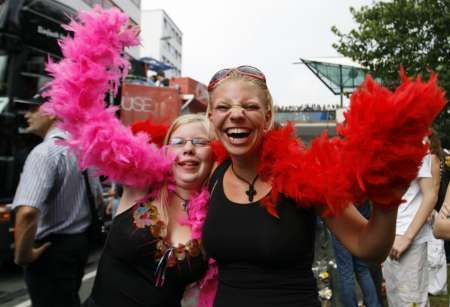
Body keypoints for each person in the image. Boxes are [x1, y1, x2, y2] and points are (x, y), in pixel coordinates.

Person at [201, 65, 445, 307]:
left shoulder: (305, 173)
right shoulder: (212, 173)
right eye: (223, 107)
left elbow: (368, 246)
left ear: (267, 117)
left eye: (249, 106)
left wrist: (387, 202)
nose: (235, 114)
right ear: (211, 116)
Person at [83, 114, 214, 307]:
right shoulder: (141, 185)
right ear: (166, 150)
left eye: (200, 142)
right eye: (178, 142)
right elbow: (93, 129)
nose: (188, 149)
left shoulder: (217, 212)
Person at [12, 92, 102, 307]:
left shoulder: (45, 153)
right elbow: (98, 200)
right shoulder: (83, 152)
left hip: (50, 251)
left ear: (53, 113)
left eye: (33, 109)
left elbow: (27, 213)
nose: (27, 115)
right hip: (78, 245)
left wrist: (22, 255)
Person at [382, 152, 438, 306]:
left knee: (411, 301)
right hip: (388, 236)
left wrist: (407, 237)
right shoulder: (383, 143)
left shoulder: (415, 143)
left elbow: (431, 195)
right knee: (395, 301)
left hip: (408, 240)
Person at [330, 201, 381, 307]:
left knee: (346, 273)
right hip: (361, 220)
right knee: (362, 270)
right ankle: (374, 304)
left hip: (342, 222)